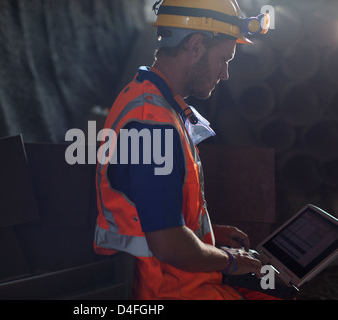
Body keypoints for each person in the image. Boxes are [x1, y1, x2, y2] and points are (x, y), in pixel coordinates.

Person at [93, 0, 288, 300]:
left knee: (272, 287)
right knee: (278, 292)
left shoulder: (146, 96)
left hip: (169, 275)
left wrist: (210, 235)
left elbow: (157, 217)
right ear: (196, 46)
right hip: (169, 288)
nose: (225, 74)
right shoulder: (153, 125)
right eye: (224, 59)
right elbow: (168, 243)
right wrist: (231, 261)